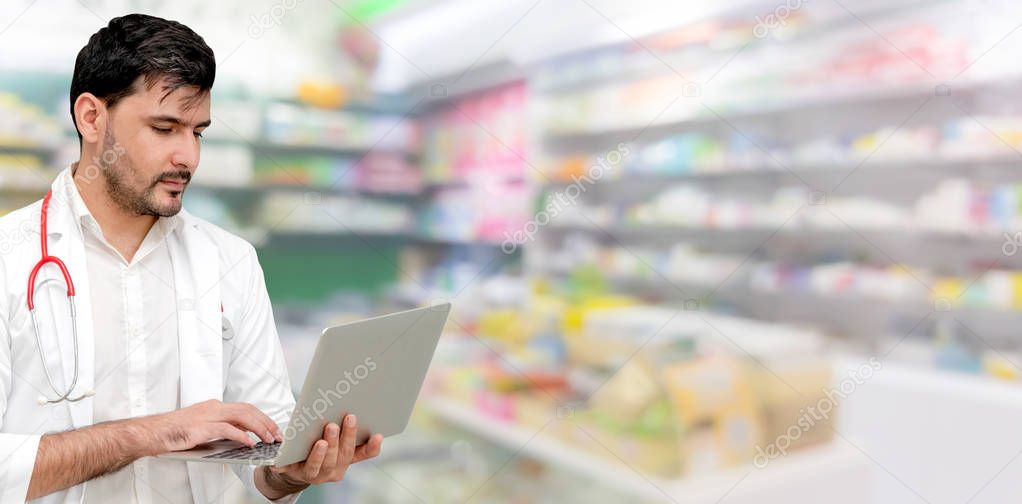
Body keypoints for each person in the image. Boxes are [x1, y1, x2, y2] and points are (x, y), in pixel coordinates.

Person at [0, 13, 383, 504]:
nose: (189, 157)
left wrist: (293, 471)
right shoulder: (12, 257)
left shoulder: (231, 260)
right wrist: (153, 432)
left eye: (197, 132)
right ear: (91, 118)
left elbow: (263, 459)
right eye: (165, 128)